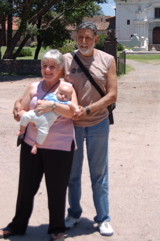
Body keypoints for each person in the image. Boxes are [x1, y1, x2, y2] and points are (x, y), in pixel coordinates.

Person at [0, 49, 78, 241]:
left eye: (52, 66)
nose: (48, 70)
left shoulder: (68, 88)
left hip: (60, 146)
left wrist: (52, 106)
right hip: (31, 144)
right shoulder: (33, 86)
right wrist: (18, 112)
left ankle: (57, 229)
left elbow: (72, 113)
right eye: (45, 65)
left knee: (57, 189)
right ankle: (17, 226)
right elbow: (21, 110)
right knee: (26, 187)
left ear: (60, 69)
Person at [63, 21, 117, 236]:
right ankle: (74, 213)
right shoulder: (67, 60)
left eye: (88, 37)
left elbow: (112, 94)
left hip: (98, 124)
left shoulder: (107, 60)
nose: (83, 41)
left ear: (96, 38)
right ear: (76, 39)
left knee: (99, 173)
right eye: (80, 37)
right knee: (72, 174)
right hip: (71, 125)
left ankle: (103, 218)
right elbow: (53, 88)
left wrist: (87, 109)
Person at [17, 83, 80, 154]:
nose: (63, 97)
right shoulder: (51, 96)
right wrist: (40, 102)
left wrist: (77, 109)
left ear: (69, 97)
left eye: (66, 96)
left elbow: (73, 106)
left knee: (43, 132)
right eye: (61, 94)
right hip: (36, 114)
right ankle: (22, 130)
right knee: (25, 116)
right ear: (57, 92)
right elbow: (42, 101)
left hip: (47, 121)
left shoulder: (66, 102)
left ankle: (36, 145)